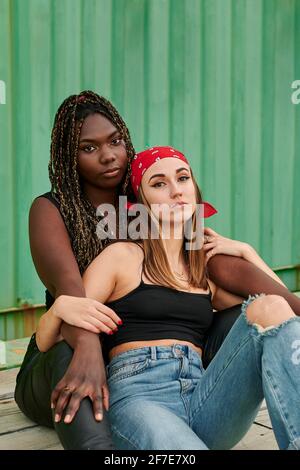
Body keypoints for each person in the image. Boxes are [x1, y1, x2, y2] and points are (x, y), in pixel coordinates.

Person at [14, 90, 300, 449]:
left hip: (193, 383)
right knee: (70, 352)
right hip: (90, 357)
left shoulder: (167, 214)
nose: (108, 155)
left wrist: (247, 250)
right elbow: (72, 299)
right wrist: (86, 347)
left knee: (261, 309)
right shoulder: (62, 215)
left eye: (115, 141)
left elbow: (225, 273)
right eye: (89, 148)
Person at [63, 146, 299, 450]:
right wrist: (60, 306)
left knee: (271, 306)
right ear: (142, 203)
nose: (176, 191)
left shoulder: (203, 276)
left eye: (183, 178)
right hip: (140, 397)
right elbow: (48, 337)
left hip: (204, 396)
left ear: (195, 189)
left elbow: (283, 317)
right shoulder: (121, 257)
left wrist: (247, 252)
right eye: (159, 183)